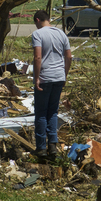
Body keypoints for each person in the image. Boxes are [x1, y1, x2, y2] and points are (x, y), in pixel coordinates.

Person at [31, 9, 72, 161]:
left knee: (41, 112)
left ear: (37, 20)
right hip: (59, 77)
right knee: (53, 112)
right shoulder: (61, 33)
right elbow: (68, 57)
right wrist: (64, 75)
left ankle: (41, 147)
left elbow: (37, 56)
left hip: (45, 77)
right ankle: (53, 146)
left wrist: (36, 78)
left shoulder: (38, 34)